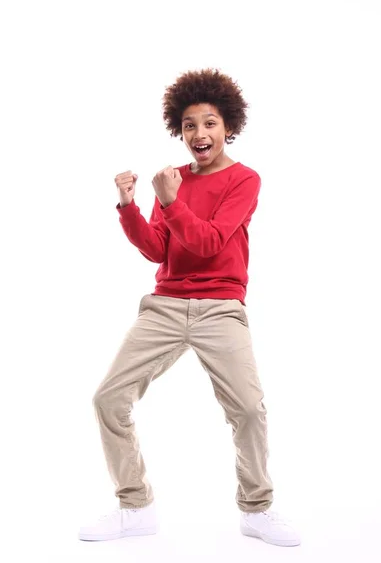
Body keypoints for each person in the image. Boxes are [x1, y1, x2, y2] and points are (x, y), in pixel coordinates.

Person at [78, 68, 301, 547]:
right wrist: (129, 205)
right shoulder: (171, 180)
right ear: (179, 132)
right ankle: (134, 507)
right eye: (189, 126)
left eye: (210, 123)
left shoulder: (244, 180)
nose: (199, 134)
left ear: (229, 127)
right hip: (164, 307)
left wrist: (172, 201)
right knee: (108, 400)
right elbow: (158, 250)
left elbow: (210, 242)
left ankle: (257, 510)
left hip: (221, 307)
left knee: (246, 407)